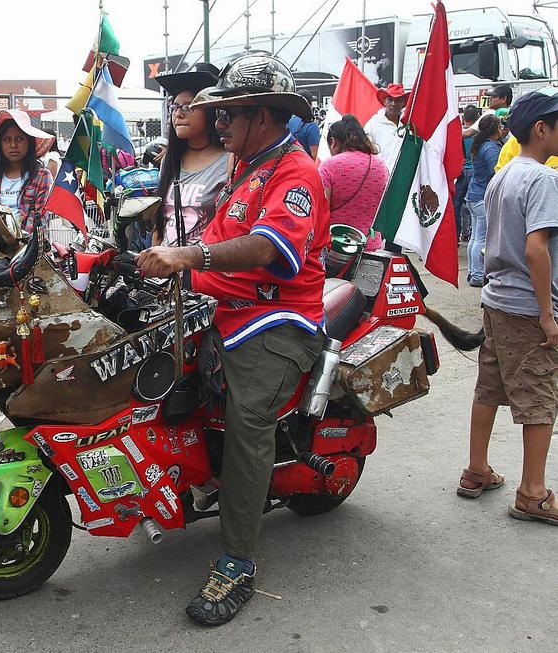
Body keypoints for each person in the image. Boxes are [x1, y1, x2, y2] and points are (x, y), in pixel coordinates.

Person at [136, 56, 328, 627]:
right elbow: (210, 237)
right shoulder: (246, 167)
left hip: (274, 320)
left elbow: (270, 247)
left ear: (264, 115)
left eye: (229, 112)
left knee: (247, 422)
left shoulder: (295, 173)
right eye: (216, 112)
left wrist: (188, 257)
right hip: (219, 310)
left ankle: (238, 560)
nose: (217, 122)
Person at [458, 86, 558, 527]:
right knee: (539, 396)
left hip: (496, 300)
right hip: (524, 306)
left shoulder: (503, 175)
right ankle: (533, 493)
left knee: (490, 387)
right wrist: (548, 314)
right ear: (541, 130)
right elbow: (537, 249)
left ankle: (476, 469)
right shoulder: (542, 178)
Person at [151, 62, 230, 247]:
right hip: (167, 272)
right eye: (175, 107)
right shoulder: (170, 161)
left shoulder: (229, 162)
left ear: (210, 112)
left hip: (204, 271)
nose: (178, 114)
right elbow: (160, 223)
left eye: (188, 107)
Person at [319, 115, 388, 252]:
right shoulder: (381, 165)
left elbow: (321, 211)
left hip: (337, 248)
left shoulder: (329, 166)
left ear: (333, 142)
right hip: (372, 247)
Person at [0, 109, 55, 236]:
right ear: (0, 144)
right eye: (7, 139)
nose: (13, 145)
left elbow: (38, 218)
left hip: (30, 247)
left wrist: (18, 242)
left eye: (19, 139)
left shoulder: (42, 176)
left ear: (29, 142)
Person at [464, 113, 504, 287]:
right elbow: (497, 171)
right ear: (495, 129)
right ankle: (478, 275)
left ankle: (473, 272)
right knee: (480, 238)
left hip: (474, 195)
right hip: (482, 197)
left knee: (475, 237)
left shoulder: (479, 145)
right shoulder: (490, 148)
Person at [365, 83, 409, 174]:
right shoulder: (373, 124)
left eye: (398, 100)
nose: (393, 103)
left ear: (403, 103)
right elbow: (365, 152)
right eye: (390, 99)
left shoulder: (409, 123)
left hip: (405, 177)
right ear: (384, 102)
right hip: (380, 176)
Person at [455, 105, 480, 242]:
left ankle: (456, 236)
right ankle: (470, 233)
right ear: (477, 118)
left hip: (460, 172)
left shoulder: (457, 132)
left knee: (457, 205)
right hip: (474, 172)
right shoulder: (477, 135)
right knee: (473, 205)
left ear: (463, 117)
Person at [287, 90, 321, 160]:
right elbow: (314, 155)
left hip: (288, 163)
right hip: (304, 166)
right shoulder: (311, 126)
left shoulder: (286, 122)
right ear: (309, 105)